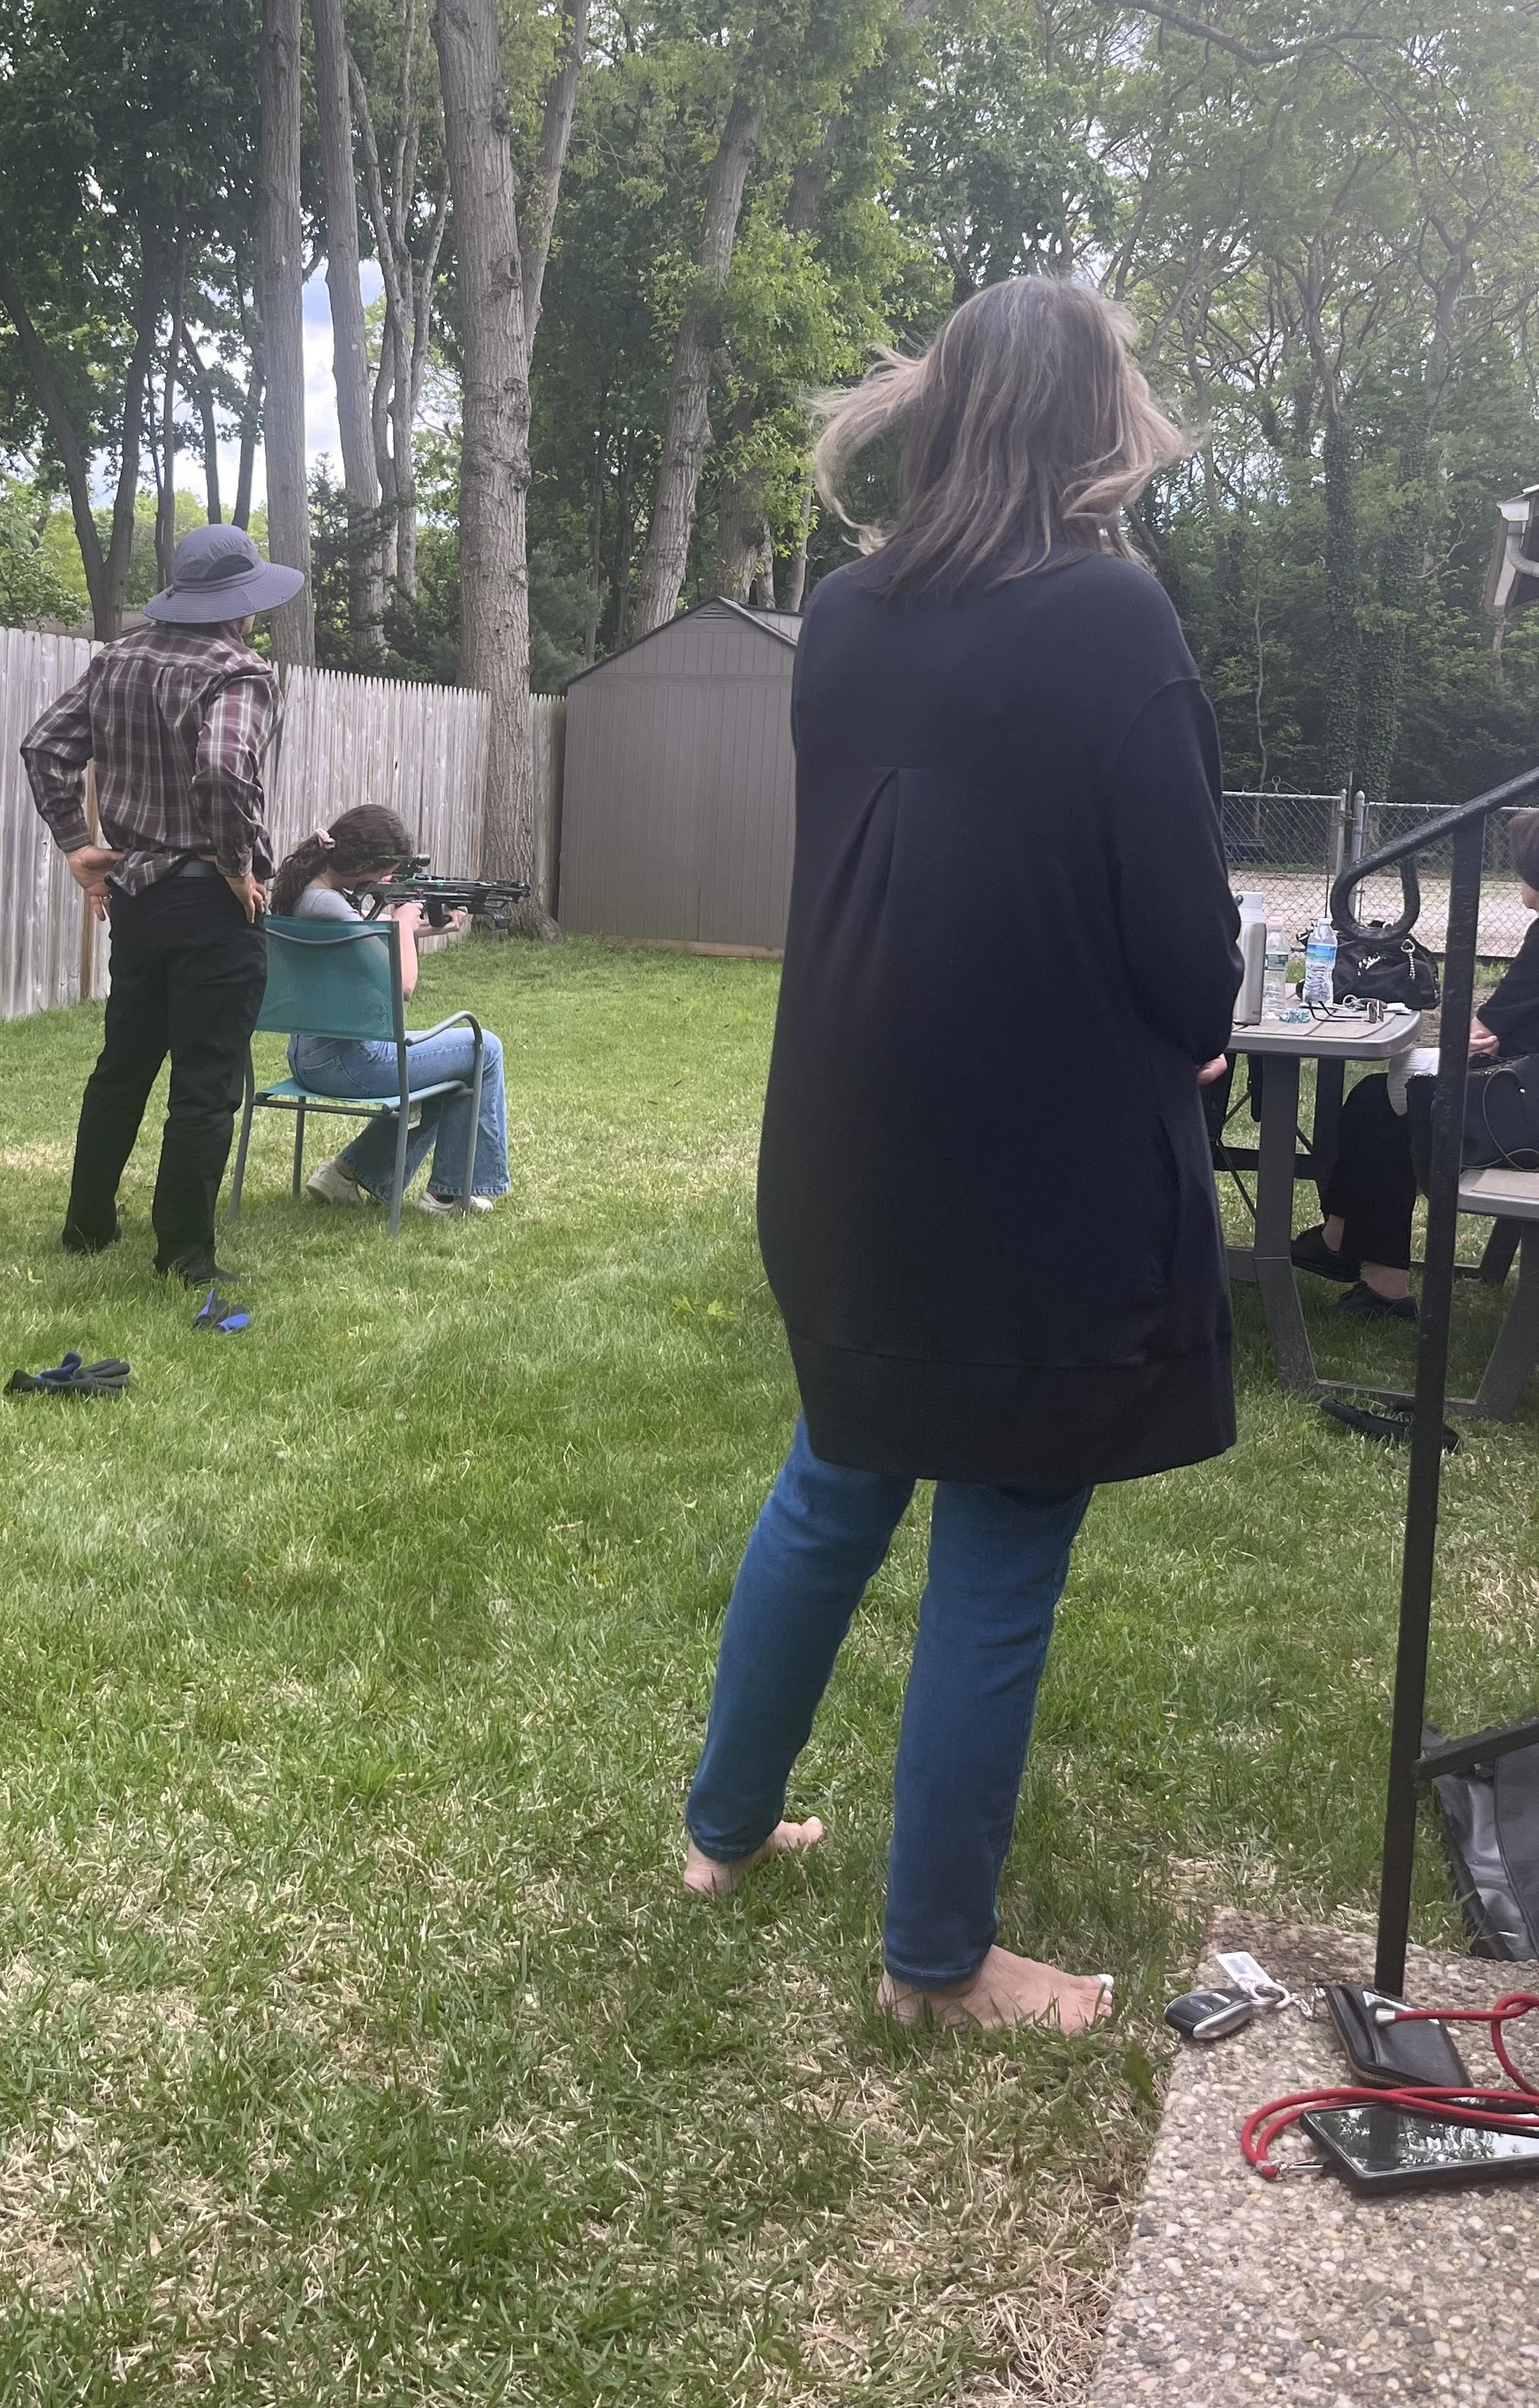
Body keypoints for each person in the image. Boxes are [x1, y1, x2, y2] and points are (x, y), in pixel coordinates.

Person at [682, 276, 1242, 2036]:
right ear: (1091, 419)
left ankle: (720, 1833)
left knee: (834, 1479)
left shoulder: (840, 615)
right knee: (999, 1534)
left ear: (939, 412)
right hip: (1032, 1160)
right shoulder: (1110, 616)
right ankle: (934, 1962)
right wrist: (1201, 1021)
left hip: (840, 1141)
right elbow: (1181, 939)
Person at [20, 523, 303, 1283]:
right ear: (240, 606)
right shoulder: (240, 672)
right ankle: (184, 1255)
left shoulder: (117, 660)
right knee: (205, 1084)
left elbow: (45, 746)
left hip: (137, 900)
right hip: (213, 904)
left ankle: (87, 1224)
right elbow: (220, 769)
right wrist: (238, 863)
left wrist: (79, 845)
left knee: (123, 1065)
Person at [1293, 809, 1539, 1319]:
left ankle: (1359, 1259)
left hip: (1524, 1112)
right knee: (1382, 1101)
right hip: (1525, 1088)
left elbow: (1481, 1032)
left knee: (1388, 1101)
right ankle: (1356, 1256)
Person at [268, 803, 512, 1217]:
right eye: (386, 869)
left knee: (452, 1072)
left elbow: (366, 940)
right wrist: (402, 920)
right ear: (366, 863)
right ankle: (448, 1196)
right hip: (351, 1060)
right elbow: (403, 985)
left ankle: (347, 1173)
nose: (386, 879)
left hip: (312, 1055)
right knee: (482, 1048)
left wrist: (431, 925)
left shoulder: (310, 894)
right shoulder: (328, 906)